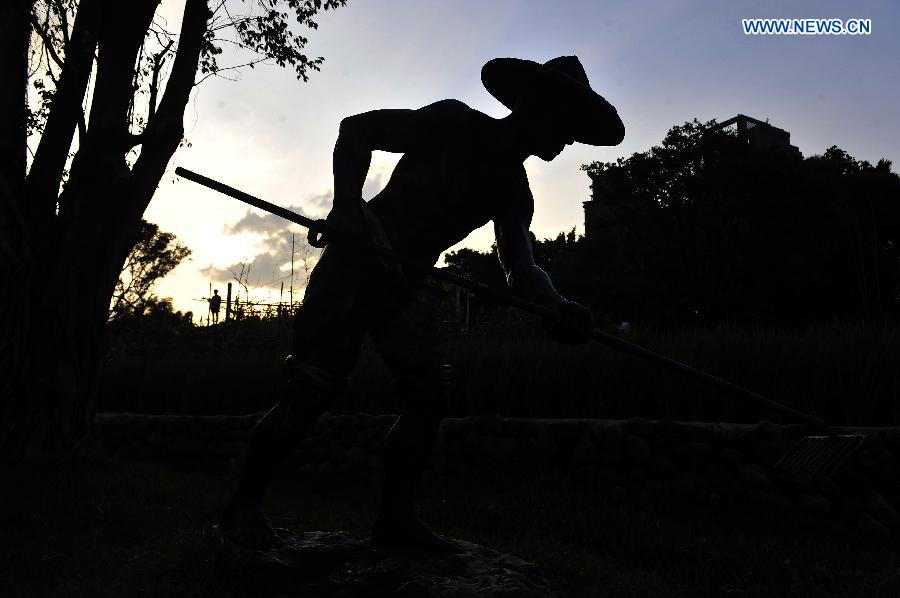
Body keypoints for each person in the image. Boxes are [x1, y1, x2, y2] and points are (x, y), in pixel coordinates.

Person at [218, 56, 625, 552]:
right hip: (357, 262)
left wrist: (557, 305)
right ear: (536, 107)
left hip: (408, 287)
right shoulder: (454, 123)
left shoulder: (513, 191)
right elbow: (357, 130)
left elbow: (519, 268)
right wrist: (347, 203)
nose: (567, 141)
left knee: (428, 399)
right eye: (566, 125)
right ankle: (243, 509)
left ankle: (394, 521)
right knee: (311, 391)